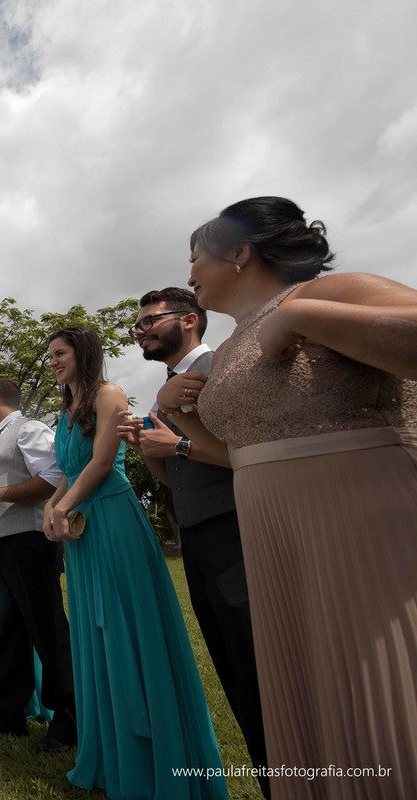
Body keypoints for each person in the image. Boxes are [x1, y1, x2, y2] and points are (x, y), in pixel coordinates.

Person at [161, 196, 417, 797]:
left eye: (196, 256)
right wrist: (184, 420)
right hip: (274, 530)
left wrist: (306, 320)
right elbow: (242, 451)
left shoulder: (332, 292)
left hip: (359, 513)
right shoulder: (226, 349)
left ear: (241, 252)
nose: (190, 272)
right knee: (310, 688)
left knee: (376, 683)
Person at [43, 325, 227, 798]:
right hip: (83, 530)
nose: (52, 362)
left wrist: (64, 507)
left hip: (115, 522)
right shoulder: (66, 412)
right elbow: (69, 472)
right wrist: (52, 504)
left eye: (59, 353)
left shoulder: (110, 394)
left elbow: (102, 463)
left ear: (82, 354)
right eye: (50, 356)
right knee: (94, 635)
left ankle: (155, 755)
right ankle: (110, 752)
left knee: (126, 628)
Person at [118, 287, 269, 796]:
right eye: (136, 326)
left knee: (259, 669)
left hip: (240, 530)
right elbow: (168, 478)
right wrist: (149, 447)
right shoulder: (165, 388)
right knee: (233, 671)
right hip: (198, 535)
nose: (139, 332)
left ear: (188, 320)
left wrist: (178, 439)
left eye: (147, 322)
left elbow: (253, 451)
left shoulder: (220, 368)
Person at [0, 378, 75, 752]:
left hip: (26, 541)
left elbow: (54, 476)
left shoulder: (30, 429)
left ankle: (70, 718)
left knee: (46, 626)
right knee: (6, 629)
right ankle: (7, 713)